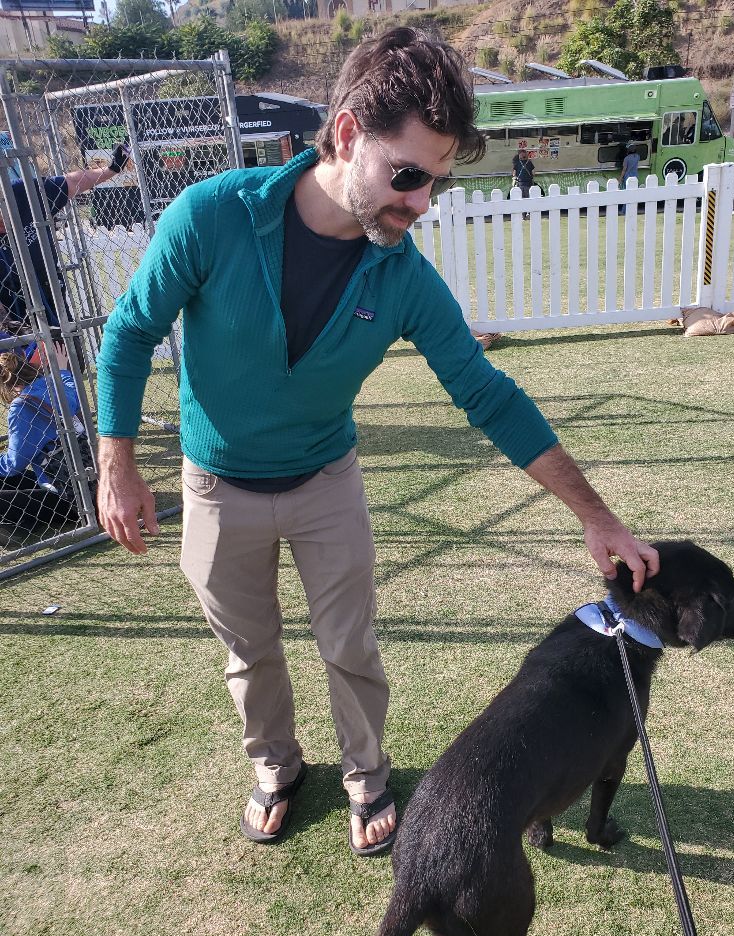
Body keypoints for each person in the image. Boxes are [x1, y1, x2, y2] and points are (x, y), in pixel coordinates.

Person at [95, 28, 659, 857]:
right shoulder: (213, 215)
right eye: (407, 176)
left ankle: (366, 776)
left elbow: (486, 393)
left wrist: (596, 515)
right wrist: (116, 463)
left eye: (435, 181)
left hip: (326, 481)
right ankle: (276, 768)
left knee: (349, 647)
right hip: (215, 484)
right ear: (349, 133)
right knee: (248, 651)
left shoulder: (401, 273)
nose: (422, 202)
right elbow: (129, 332)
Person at [0, 143, 130, 330]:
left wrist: (112, 169)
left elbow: (71, 182)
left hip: (50, 292)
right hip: (13, 315)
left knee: (66, 338)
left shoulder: (23, 193)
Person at [0, 338, 82, 533]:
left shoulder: (22, 406)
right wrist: (62, 371)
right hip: (87, 480)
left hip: (66, 497)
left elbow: (15, 463)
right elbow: (73, 395)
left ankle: (23, 524)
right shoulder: (53, 384)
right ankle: (24, 521)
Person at [618, 143, 641, 215]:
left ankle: (624, 210)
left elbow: (624, 169)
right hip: (635, 176)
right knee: (634, 194)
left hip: (627, 177)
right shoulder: (637, 156)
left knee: (627, 194)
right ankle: (633, 209)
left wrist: (620, 178)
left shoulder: (626, 159)